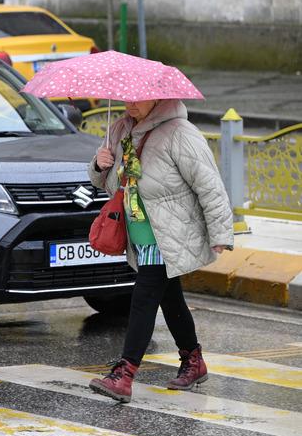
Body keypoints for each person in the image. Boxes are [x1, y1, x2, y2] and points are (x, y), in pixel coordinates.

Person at [86, 99, 233, 403]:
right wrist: (99, 165)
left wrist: (220, 232)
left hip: (168, 234)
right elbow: (111, 185)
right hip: (137, 234)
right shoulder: (120, 130)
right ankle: (194, 361)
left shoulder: (180, 132)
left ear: (158, 99)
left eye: (137, 100)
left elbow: (209, 184)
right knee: (170, 297)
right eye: (126, 99)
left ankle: (124, 374)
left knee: (143, 299)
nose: (130, 105)